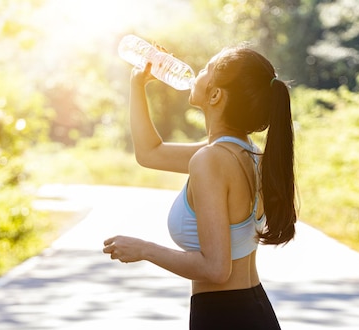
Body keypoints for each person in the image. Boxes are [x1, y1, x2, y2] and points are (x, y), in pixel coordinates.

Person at [103, 43, 297, 329]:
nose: (198, 72)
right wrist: (138, 83)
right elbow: (150, 153)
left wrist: (143, 249)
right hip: (250, 309)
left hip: (225, 316)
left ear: (216, 95)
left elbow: (216, 269)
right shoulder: (244, 151)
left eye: (207, 68)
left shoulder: (211, 160)